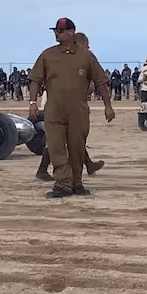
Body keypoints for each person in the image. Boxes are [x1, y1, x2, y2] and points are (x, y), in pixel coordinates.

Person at [28, 18, 115, 199]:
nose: (57, 33)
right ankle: (62, 184)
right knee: (56, 148)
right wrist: (32, 102)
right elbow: (35, 79)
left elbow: (101, 81)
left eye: (60, 30)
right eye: (55, 31)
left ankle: (76, 183)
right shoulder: (47, 55)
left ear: (71, 32)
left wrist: (108, 106)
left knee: (77, 148)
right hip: (54, 110)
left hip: (78, 111)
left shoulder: (86, 56)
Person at [35, 32, 106, 182]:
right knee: (57, 140)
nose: (88, 48)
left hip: (65, 103)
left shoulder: (81, 59)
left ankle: (88, 165)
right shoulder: (62, 57)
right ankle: (44, 170)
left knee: (74, 138)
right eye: (87, 45)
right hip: (55, 101)